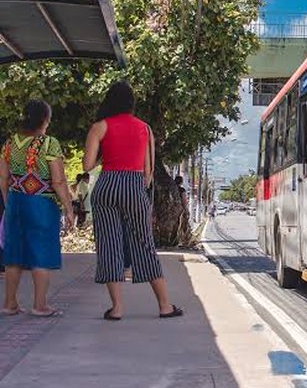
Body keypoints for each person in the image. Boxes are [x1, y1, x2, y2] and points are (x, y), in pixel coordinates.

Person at [83, 81, 183, 321]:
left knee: (109, 245)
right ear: (131, 103)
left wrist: (105, 158)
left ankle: (116, 308)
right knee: (144, 243)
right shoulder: (145, 129)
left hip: (106, 186)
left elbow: (87, 165)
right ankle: (165, 306)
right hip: (134, 186)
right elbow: (148, 172)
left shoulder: (99, 127)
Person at [0, 100, 74, 317]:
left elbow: (3, 177)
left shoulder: (9, 143)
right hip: (42, 203)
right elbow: (58, 181)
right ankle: (40, 305)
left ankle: (10, 303)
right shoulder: (49, 144)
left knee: (14, 253)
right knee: (42, 251)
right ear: (45, 120)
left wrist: (8, 200)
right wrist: (68, 207)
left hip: (15, 201)